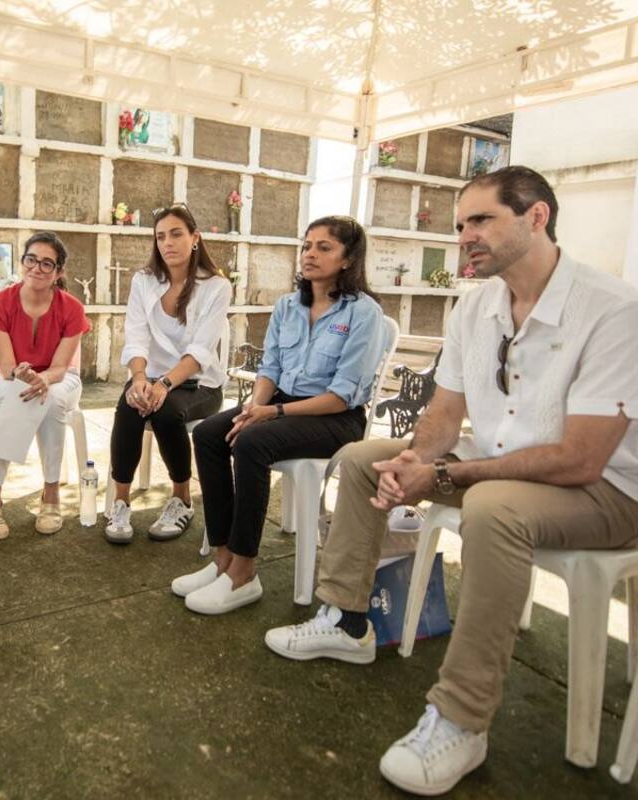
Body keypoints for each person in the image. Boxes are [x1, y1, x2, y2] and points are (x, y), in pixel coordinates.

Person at [263, 168, 638, 795]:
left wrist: (445, 471)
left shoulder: (613, 310)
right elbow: (444, 414)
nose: (465, 236)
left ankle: (462, 719)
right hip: (490, 460)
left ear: (537, 217)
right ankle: (348, 622)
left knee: (491, 507)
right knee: (362, 459)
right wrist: (416, 461)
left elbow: (578, 460)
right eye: (461, 224)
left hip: (603, 492)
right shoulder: (478, 304)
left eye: (481, 220)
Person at [174, 216, 383, 615]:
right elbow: (269, 368)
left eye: (324, 247)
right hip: (281, 403)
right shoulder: (288, 306)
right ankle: (222, 559)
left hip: (334, 418)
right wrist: (255, 407)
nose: (310, 254)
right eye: (307, 245)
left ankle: (244, 573)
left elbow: (341, 396)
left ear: (347, 259)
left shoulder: (363, 313)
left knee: (252, 441)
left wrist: (273, 413)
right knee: (211, 434)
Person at [105, 204, 229, 544]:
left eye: (176, 234)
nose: (167, 243)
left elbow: (202, 351)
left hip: (199, 383)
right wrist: (140, 379)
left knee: (167, 412)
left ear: (194, 239)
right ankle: (120, 502)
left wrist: (164, 385)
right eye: (160, 236)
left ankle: (182, 499)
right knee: (129, 407)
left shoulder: (216, 286)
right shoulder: (144, 281)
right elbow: (136, 336)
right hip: (152, 376)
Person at [0, 232, 90, 539]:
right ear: (22, 260)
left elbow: (61, 366)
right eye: (31, 259)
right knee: (21, 393)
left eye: (46, 263)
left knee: (49, 398)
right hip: (7, 378)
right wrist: (25, 375)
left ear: (59, 272)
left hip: (60, 379)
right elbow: (6, 365)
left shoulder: (72, 309)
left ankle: (51, 492)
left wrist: (44, 379)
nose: (37, 268)